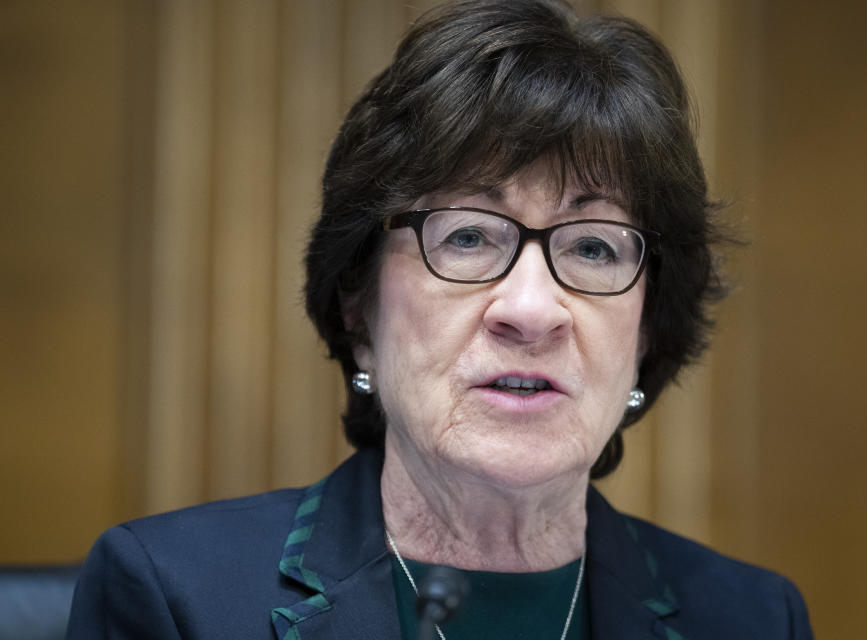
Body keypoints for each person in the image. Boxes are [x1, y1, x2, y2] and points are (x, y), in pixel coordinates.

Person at [67, 0, 814, 638]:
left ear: (649, 325)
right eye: (467, 236)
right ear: (358, 306)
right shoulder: (177, 599)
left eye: (592, 247)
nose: (530, 310)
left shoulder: (751, 618)